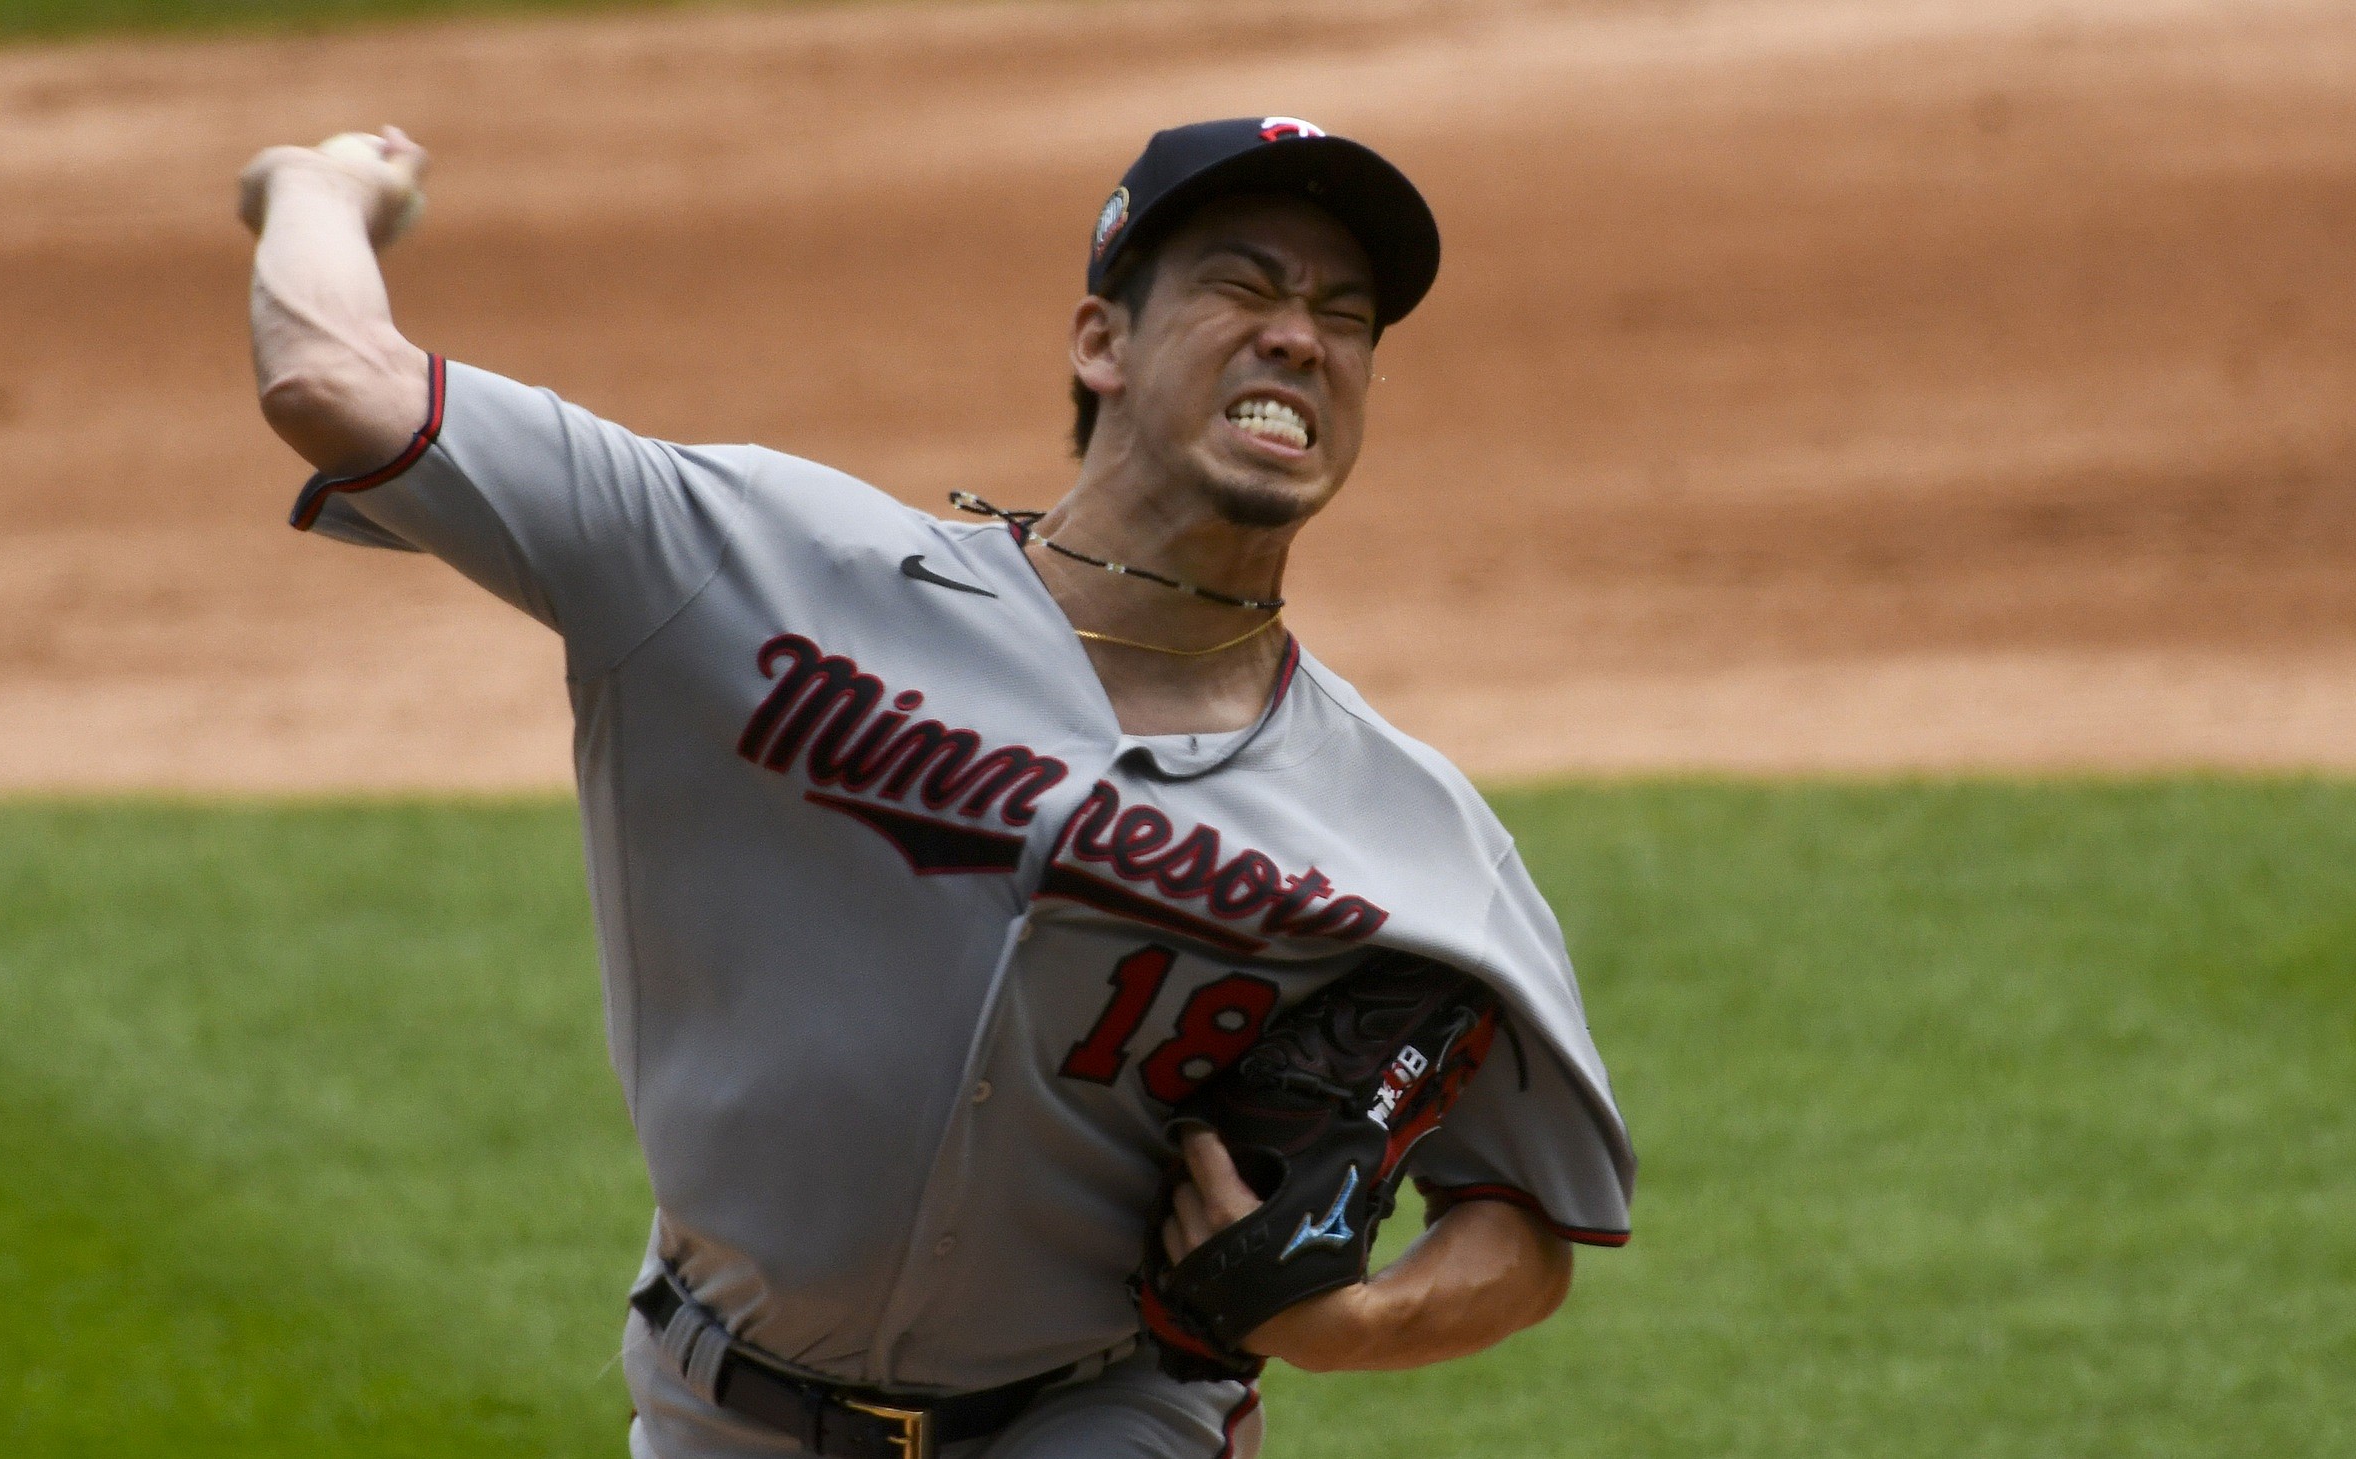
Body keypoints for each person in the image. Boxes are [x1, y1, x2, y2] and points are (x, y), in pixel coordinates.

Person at [238, 114, 1634, 1459]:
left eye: (1345, 317)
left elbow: (1519, 1220)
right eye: (1241, 286)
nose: (1299, 334)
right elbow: (331, 379)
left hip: (1111, 1414)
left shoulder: (1418, 834)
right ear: (1101, 341)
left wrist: (1359, 1322)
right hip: (716, 1407)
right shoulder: (753, 563)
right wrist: (318, 191)